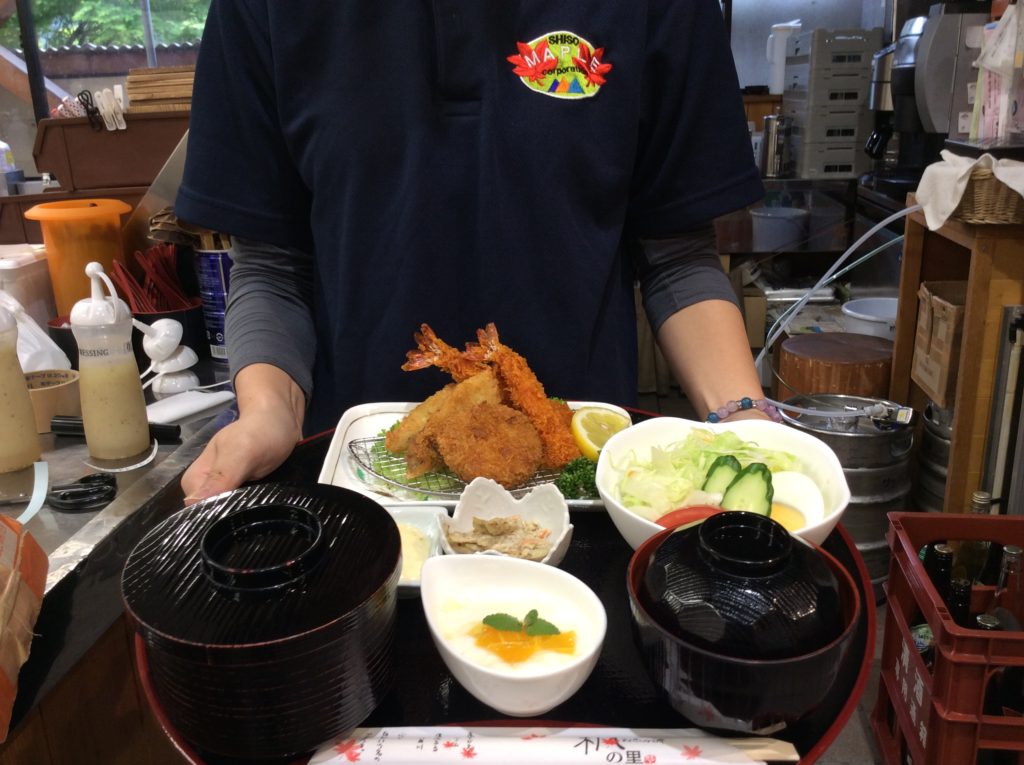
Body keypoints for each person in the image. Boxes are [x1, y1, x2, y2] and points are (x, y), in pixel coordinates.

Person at [176, 0, 772, 502]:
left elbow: (677, 257)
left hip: (582, 480)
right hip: (360, 483)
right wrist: (267, 414)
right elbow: (272, 267)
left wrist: (744, 421)